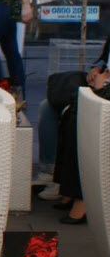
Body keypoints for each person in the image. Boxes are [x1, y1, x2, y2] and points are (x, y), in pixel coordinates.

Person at [48, 34, 110, 223]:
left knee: (76, 117)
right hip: (104, 80)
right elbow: (105, 55)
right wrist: (98, 67)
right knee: (51, 105)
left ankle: (82, 198)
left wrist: (102, 85)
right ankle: (66, 187)